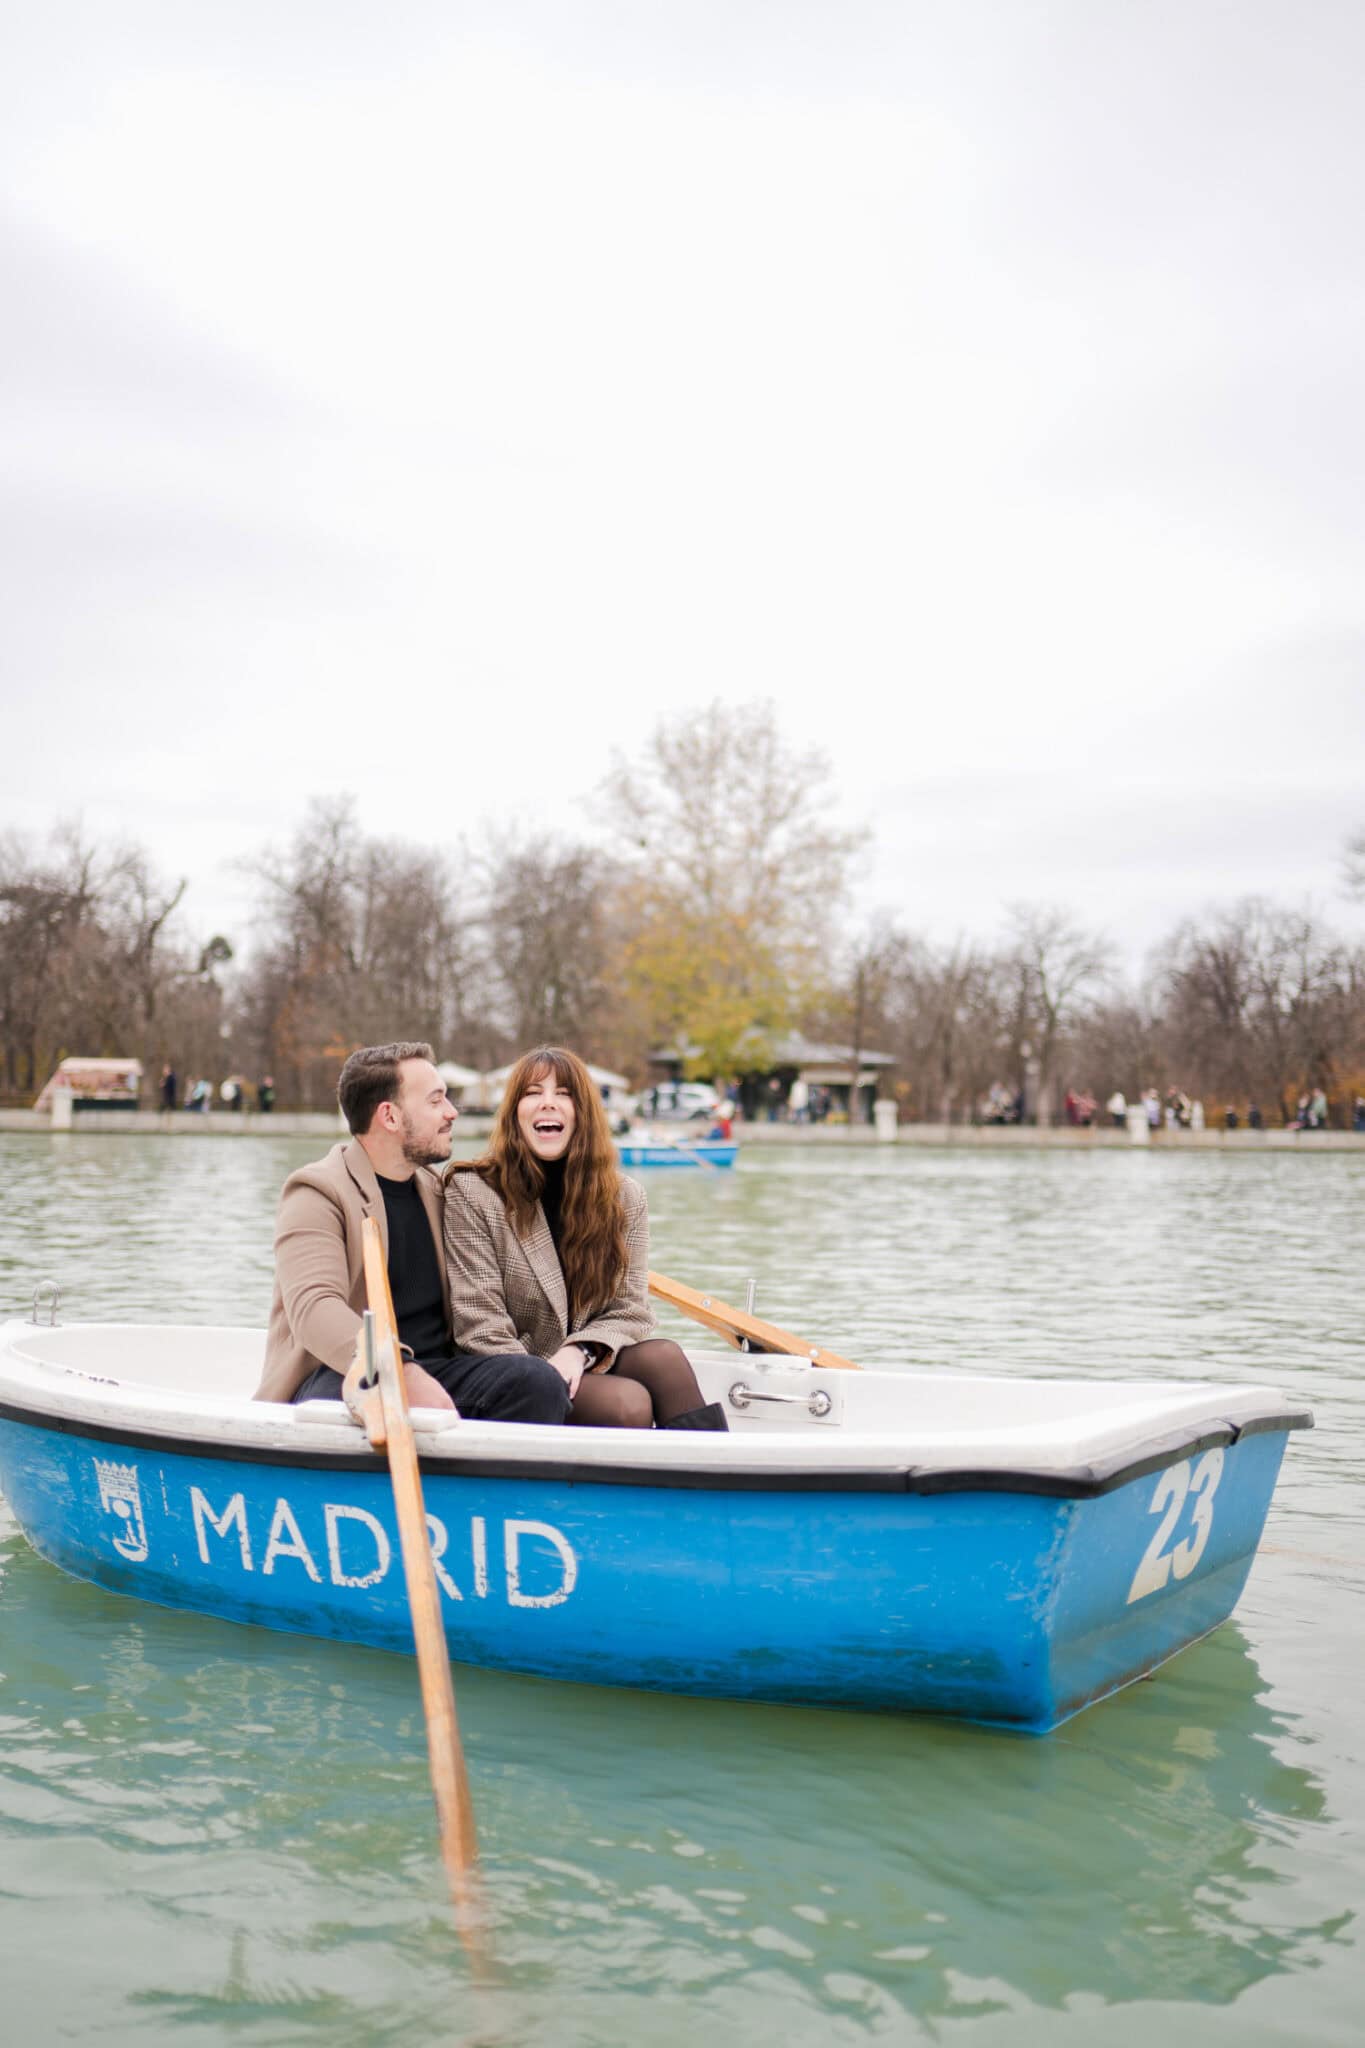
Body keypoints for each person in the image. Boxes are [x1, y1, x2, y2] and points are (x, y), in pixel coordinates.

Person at [255, 1040, 570, 1423]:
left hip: (438, 1371)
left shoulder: (439, 1190)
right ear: (390, 1116)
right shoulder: (317, 1191)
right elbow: (316, 1310)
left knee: (536, 1382)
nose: (452, 1113)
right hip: (347, 1374)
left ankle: (476, 1481)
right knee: (341, 1405)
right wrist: (399, 1370)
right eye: (436, 1101)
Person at [444, 1045, 727, 1432]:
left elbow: (631, 1309)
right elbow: (479, 1324)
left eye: (564, 1094)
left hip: (581, 1358)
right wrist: (545, 1375)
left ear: (584, 1113)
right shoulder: (475, 1192)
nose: (548, 1104)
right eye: (532, 1093)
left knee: (665, 1358)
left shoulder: (624, 1198)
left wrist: (580, 1351)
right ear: (513, 1113)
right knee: (628, 1404)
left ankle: (713, 1483)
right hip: (511, 1371)